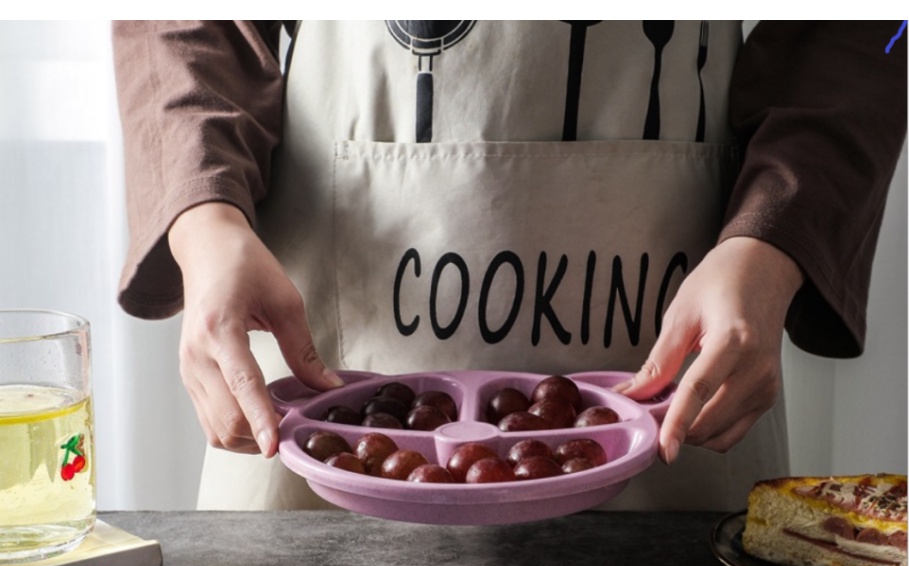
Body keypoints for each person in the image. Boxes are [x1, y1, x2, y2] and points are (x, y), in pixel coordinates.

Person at [112, 21, 906, 510]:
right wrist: (204, 220)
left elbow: (870, 33)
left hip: (680, 387)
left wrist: (770, 239)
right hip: (327, 408)